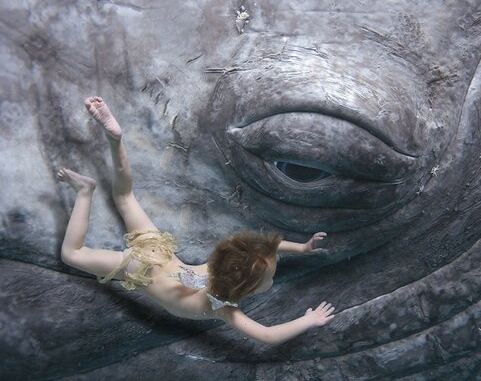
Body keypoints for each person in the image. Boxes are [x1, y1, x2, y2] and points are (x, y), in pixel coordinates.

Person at [58, 96, 335, 345]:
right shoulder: (223, 309)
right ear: (245, 288)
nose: (272, 278)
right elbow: (268, 336)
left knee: (125, 197)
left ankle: (115, 137)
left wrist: (301, 248)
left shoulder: (215, 265)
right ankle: (85, 191)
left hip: (160, 252)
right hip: (139, 267)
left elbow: (263, 248)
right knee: (73, 254)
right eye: (269, 277)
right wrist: (309, 320)